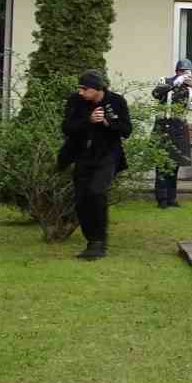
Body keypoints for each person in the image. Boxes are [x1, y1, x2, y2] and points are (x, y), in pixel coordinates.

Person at [58, 70, 133, 260]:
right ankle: (91, 240)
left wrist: (108, 123)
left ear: (97, 89)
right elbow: (67, 127)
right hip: (82, 155)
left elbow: (126, 130)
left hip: (108, 155)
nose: (81, 92)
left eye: (84, 89)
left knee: (97, 192)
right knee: (82, 199)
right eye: (79, 88)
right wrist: (89, 121)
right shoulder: (75, 101)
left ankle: (99, 241)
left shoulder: (116, 101)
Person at [150, 58, 192, 209]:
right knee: (162, 164)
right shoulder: (166, 81)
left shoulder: (190, 88)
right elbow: (156, 93)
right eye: (182, 71)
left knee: (174, 165)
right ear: (177, 71)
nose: (185, 74)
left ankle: (172, 198)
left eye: (188, 72)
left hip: (179, 128)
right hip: (163, 126)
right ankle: (161, 199)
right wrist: (174, 83)